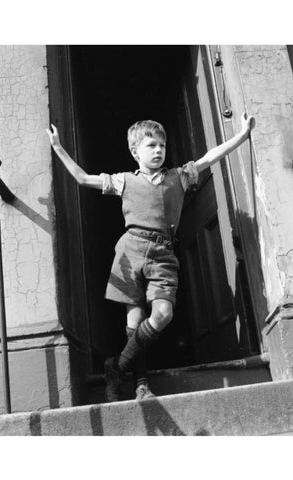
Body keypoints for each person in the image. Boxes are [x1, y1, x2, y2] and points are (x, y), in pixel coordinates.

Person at [46, 112, 255, 402]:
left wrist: (242, 135)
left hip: (163, 255)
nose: (158, 150)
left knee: (163, 315)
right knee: (134, 323)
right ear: (135, 151)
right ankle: (141, 386)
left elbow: (211, 156)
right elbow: (82, 178)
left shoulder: (179, 176)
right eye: (150, 145)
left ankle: (115, 366)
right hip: (129, 252)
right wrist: (57, 147)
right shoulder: (123, 181)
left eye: (161, 145)